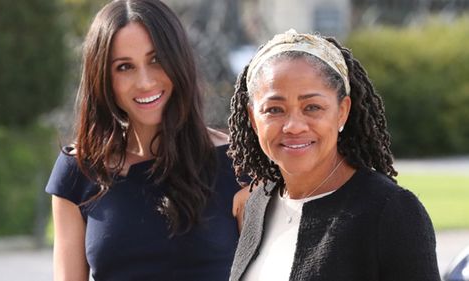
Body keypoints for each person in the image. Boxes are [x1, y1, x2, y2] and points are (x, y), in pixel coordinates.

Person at [45, 1, 242, 280]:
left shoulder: (238, 164)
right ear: (103, 78)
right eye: (124, 67)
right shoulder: (78, 171)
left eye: (156, 60)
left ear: (178, 60)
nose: (145, 82)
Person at [227, 29, 441, 281]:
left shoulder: (389, 210)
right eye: (274, 109)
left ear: (342, 111)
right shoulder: (258, 204)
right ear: (253, 118)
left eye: (312, 107)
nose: (294, 125)